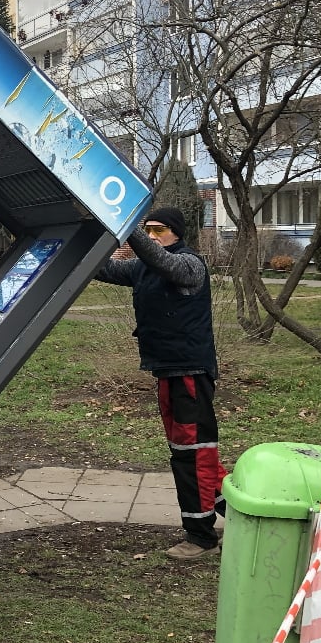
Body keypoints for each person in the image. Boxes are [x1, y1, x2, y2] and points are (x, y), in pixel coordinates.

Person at [96, 205, 227, 561]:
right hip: (167, 372)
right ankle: (244, 512)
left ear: (177, 233)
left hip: (189, 373)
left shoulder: (189, 264)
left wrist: (131, 229)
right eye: (148, 230)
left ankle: (201, 536)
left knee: (193, 454)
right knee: (189, 452)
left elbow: (162, 262)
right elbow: (105, 268)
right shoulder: (142, 268)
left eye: (158, 230)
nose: (152, 237)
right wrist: (86, 238)